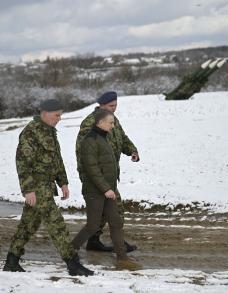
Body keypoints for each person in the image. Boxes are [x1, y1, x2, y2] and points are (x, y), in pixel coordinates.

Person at [3, 99, 93, 277]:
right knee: (56, 224)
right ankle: (72, 263)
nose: (59, 118)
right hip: (37, 187)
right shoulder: (30, 132)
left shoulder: (50, 131)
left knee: (28, 225)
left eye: (61, 115)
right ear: (44, 113)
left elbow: (56, 159)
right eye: (56, 115)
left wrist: (63, 182)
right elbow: (23, 163)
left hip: (47, 185)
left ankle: (12, 261)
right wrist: (28, 190)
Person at [72, 109, 142, 270]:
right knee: (92, 225)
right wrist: (105, 189)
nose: (113, 126)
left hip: (108, 190)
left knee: (116, 223)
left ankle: (122, 259)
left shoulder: (104, 139)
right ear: (100, 123)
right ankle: (69, 251)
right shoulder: (90, 141)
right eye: (110, 123)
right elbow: (92, 169)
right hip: (95, 191)